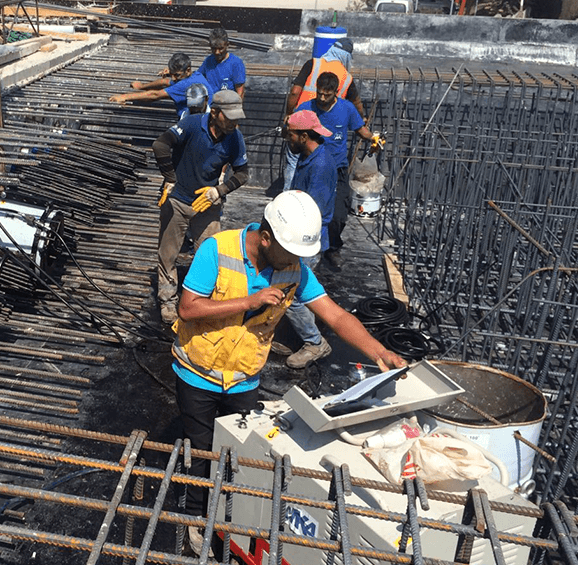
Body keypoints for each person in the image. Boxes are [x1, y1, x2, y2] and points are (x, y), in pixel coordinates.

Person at [172, 190, 407, 556]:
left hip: (244, 379)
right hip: (197, 374)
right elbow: (187, 309)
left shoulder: (293, 268)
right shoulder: (216, 250)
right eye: (290, 251)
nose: (296, 260)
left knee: (238, 454)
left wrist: (379, 351)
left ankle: (230, 515)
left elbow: (335, 315)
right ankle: (195, 519)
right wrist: (248, 301)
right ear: (265, 238)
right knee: (200, 452)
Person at [152, 89, 249, 325]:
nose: (234, 122)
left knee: (210, 252)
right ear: (214, 112)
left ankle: (203, 299)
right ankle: (167, 298)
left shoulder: (235, 138)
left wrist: (220, 191)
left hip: (207, 202)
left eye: (237, 117)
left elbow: (243, 173)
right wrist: (169, 178)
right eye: (230, 117)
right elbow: (160, 145)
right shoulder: (193, 125)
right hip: (177, 200)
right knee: (168, 253)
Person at [293, 71, 380, 269]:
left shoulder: (346, 108)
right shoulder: (307, 108)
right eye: (319, 93)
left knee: (338, 215)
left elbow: (360, 129)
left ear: (336, 92)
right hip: (311, 167)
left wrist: (372, 137)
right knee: (306, 211)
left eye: (327, 94)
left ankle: (332, 248)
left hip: (337, 169)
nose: (322, 98)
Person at [279, 109, 337, 369]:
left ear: (303, 135)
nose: (287, 139)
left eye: (290, 134)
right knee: (293, 289)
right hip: (297, 236)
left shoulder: (321, 165)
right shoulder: (309, 156)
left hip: (305, 240)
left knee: (288, 294)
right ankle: (296, 334)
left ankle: (315, 343)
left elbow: (312, 210)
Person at [282, 37, 365, 191]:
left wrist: (289, 113)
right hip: (324, 133)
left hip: (300, 126)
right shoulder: (346, 77)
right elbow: (357, 103)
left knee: (294, 166)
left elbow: (295, 91)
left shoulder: (313, 63)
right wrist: (362, 118)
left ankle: (287, 199)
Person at [109, 53, 214, 121]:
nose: (173, 78)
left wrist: (124, 97)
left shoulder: (186, 84)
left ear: (188, 70)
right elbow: (165, 81)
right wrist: (142, 86)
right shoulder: (195, 75)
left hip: (200, 121)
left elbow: (155, 95)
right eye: (171, 74)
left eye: (176, 75)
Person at [197, 28, 246, 99]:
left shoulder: (236, 63)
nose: (217, 52)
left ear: (227, 45)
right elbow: (197, 78)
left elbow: (240, 93)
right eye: (214, 48)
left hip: (229, 104)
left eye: (220, 48)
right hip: (211, 104)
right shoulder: (208, 61)